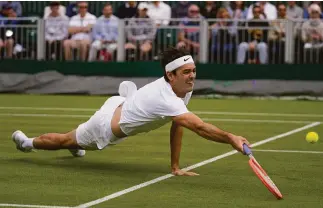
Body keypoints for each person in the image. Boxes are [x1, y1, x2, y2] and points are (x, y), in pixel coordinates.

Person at [11, 47, 250, 176]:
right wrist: (230, 138)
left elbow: (180, 124)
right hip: (103, 128)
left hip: (121, 104)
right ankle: (27, 143)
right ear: (170, 75)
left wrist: (175, 166)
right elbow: (198, 126)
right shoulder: (166, 96)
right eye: (186, 72)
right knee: (66, 140)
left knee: (76, 139)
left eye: (193, 70)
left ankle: (78, 143)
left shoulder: (182, 88)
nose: (192, 76)